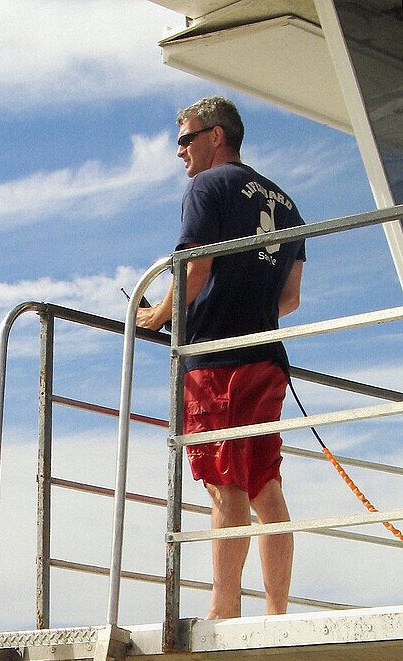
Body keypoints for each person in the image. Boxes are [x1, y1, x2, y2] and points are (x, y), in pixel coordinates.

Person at [137, 97, 305, 619]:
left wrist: (157, 316)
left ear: (216, 136)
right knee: (264, 483)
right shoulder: (285, 200)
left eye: (185, 138)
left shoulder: (206, 187)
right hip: (266, 355)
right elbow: (290, 298)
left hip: (217, 359)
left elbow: (195, 271)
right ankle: (276, 611)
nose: (179, 151)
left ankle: (224, 608)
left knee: (224, 480)